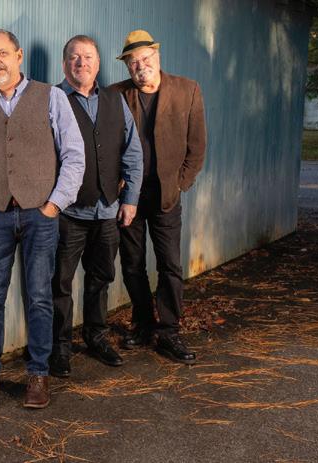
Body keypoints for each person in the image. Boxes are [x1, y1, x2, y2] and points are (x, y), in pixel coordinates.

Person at [0, 29, 84, 409]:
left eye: (2, 53)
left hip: (39, 214)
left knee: (40, 296)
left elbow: (74, 155)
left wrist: (54, 205)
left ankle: (38, 374)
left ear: (19, 55)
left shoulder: (51, 97)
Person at [110, 30, 206, 364]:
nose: (140, 66)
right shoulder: (116, 95)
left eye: (145, 59)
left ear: (157, 56)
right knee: (132, 263)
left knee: (170, 264)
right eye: (133, 62)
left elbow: (197, 146)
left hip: (166, 194)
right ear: (127, 67)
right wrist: (118, 184)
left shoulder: (187, 90)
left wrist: (180, 183)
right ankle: (143, 324)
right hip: (129, 196)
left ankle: (168, 331)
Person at [49, 35, 143, 378]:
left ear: (98, 63)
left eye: (88, 57)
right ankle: (59, 347)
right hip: (68, 213)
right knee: (60, 283)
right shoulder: (52, 99)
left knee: (101, 277)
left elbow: (133, 152)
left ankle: (96, 336)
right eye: (74, 57)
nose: (82, 63)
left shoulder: (115, 100)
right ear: (65, 64)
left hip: (107, 210)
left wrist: (130, 199)